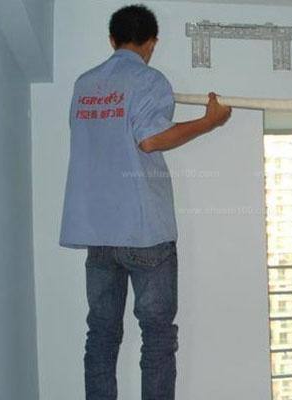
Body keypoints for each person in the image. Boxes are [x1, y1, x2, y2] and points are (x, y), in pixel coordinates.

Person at [59, 5, 231, 400]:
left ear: (112, 40)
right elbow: (150, 139)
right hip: (145, 231)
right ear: (152, 43)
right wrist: (209, 122)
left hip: (99, 234)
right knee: (156, 336)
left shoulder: (84, 84)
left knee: (101, 334)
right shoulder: (148, 79)